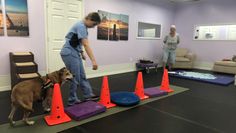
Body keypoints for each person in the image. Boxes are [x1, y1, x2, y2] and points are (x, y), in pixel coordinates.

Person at [60, 12, 101, 106]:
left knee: (82, 75)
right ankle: (72, 100)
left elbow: (76, 41)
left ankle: (88, 95)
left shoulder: (83, 27)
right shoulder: (81, 26)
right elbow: (86, 44)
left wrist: (81, 52)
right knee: (75, 77)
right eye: (94, 24)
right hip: (69, 52)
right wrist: (93, 60)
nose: (94, 26)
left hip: (74, 51)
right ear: (89, 19)